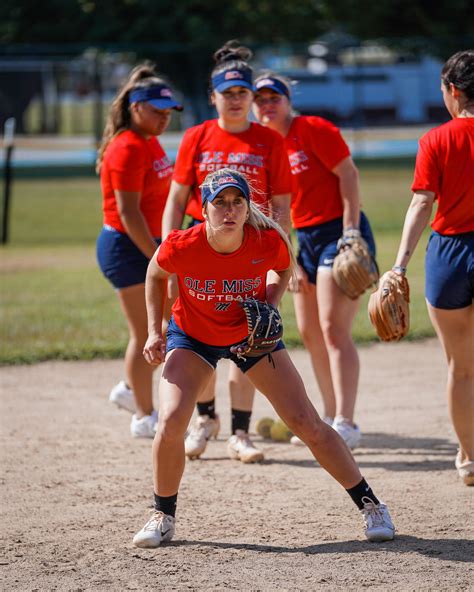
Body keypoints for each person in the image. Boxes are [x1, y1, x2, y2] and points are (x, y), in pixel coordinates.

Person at [132, 168, 395, 548]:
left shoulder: (265, 240)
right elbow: (155, 273)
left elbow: (284, 266)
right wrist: (156, 331)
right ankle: (162, 514)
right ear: (203, 209)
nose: (229, 210)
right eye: (219, 202)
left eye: (237, 201)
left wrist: (269, 303)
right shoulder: (182, 244)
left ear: (247, 207)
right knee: (171, 421)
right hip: (193, 336)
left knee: (306, 421)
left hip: (252, 337)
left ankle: (371, 505)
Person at [162, 41, 292, 462]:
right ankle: (205, 419)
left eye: (243, 93)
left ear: (251, 98)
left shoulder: (269, 141)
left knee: (249, 330)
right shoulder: (197, 136)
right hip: (201, 250)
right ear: (212, 96)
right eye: (227, 92)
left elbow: (283, 207)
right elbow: (178, 198)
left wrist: (283, 259)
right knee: (196, 337)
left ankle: (240, 431)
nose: (236, 100)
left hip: (252, 250)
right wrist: (170, 247)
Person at [252, 73, 377, 449]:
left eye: (275, 97)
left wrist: (351, 231)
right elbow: (275, 207)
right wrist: (287, 253)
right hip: (299, 239)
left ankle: (347, 421)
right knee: (308, 331)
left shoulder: (313, 129)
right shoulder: (263, 145)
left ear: (289, 100)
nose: (267, 104)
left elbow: (349, 176)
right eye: (261, 99)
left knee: (332, 328)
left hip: (337, 231)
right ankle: (330, 413)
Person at [390, 50, 474, 486]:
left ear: (453, 92)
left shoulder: (436, 140)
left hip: (450, 255)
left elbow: (422, 201)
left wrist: (399, 266)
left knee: (461, 368)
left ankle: (469, 456)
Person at [96, 64, 182, 438]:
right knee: (145, 331)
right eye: (157, 112)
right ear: (135, 108)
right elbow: (129, 214)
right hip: (128, 248)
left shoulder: (149, 141)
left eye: (168, 113)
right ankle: (143, 414)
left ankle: (131, 390)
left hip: (148, 244)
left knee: (165, 323)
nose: (164, 119)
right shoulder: (128, 148)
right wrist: (158, 257)